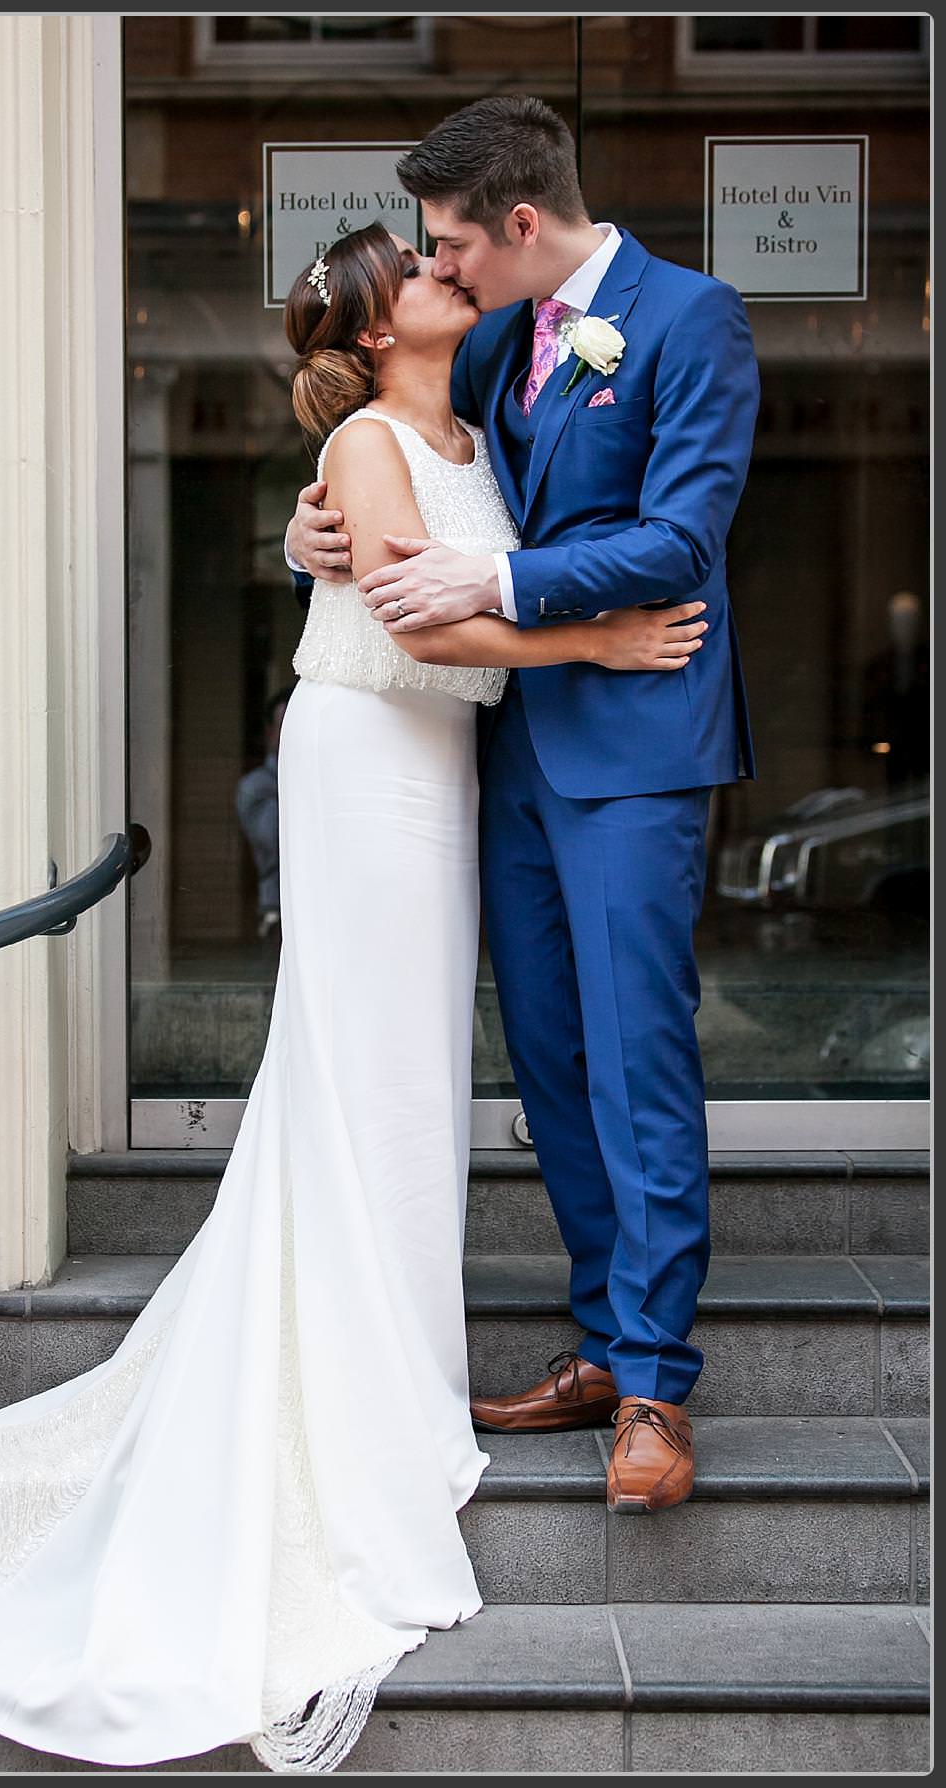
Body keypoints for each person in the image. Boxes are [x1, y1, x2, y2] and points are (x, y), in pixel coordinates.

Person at [0, 222, 709, 1772]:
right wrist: (600, 636)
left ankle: (390, 1365)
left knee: (393, 1081)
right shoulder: (380, 440)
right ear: (383, 326)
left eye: (448, 250)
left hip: (437, 768)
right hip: (370, 762)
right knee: (366, 1075)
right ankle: (370, 1400)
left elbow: (433, 550)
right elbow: (418, 618)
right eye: (421, 262)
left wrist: (311, 538)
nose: (448, 268)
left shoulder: (474, 417)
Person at [289, 98, 758, 1514]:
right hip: (504, 762)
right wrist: (307, 528)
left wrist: (498, 588)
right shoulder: (490, 339)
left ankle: (658, 1388)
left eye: (449, 245)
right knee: (551, 1065)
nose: (442, 270)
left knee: (634, 1060)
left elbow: (680, 538)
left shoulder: (693, 321)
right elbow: (400, 454)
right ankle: (604, 1340)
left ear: (521, 227)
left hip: (636, 752)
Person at [234, 685, 291, 942]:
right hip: (277, 913)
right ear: (270, 733)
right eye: (286, 726)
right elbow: (276, 839)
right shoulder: (255, 787)